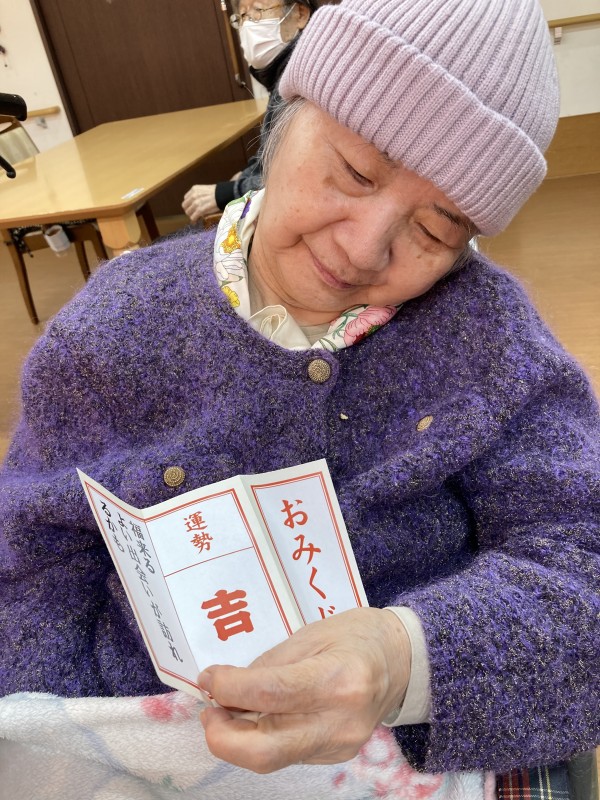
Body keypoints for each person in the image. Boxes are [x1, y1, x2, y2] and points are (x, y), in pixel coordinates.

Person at [0, 0, 599, 797]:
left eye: (435, 228)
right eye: (355, 172)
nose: (362, 248)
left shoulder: (491, 341)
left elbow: (582, 562)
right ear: (284, 118)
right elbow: (31, 566)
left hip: (414, 755)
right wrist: (70, 757)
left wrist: (402, 660)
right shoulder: (109, 334)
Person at [181, 0, 317, 224]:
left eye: (259, 10)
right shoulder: (285, 73)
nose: (249, 25)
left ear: (300, 14)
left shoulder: (301, 80)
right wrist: (245, 175)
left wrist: (224, 193)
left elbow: (292, 176)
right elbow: (271, 153)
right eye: (243, 16)